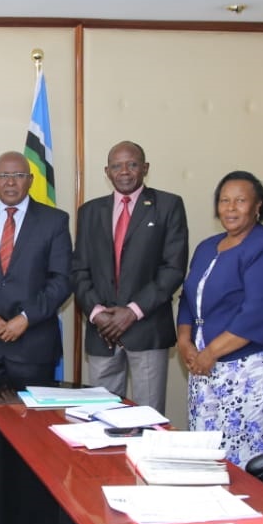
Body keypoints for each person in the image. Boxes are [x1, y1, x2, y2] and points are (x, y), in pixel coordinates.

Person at [177, 171, 263, 467]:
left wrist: (210, 353)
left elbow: (256, 314)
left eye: (240, 201)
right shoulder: (206, 247)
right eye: (224, 201)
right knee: (208, 452)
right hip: (204, 368)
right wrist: (184, 341)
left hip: (249, 371)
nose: (230, 208)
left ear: (258, 206)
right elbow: (189, 298)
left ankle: (251, 512)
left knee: (246, 457)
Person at [71, 141, 188, 413]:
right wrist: (98, 312)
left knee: (148, 418)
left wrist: (133, 311)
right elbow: (79, 270)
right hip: (103, 332)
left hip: (147, 329)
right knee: (100, 417)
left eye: (132, 164)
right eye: (116, 165)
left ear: (145, 168)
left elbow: (173, 269)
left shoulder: (168, 205)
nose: (124, 171)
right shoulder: (90, 212)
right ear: (107, 171)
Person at [0, 150, 72, 381]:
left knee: (34, 418)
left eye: (19, 175)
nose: (10, 182)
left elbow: (62, 279)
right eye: (3, 175)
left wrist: (26, 317)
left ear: (31, 179)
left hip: (34, 345)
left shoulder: (54, 221)